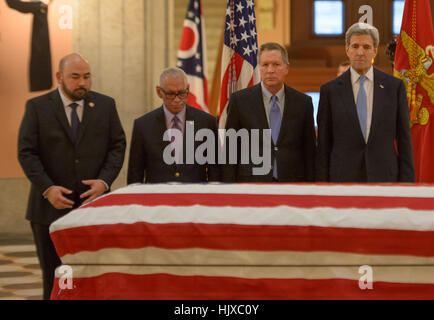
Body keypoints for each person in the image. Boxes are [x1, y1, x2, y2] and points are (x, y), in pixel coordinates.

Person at [17, 53, 126, 299]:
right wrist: (48, 189)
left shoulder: (105, 105)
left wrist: (104, 182)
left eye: (87, 77)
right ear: (59, 77)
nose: (82, 83)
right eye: (75, 77)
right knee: (55, 279)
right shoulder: (37, 107)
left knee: (92, 278)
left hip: (93, 209)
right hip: (48, 211)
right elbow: (27, 153)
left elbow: (117, 146)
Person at [316, 23, 415, 183]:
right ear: (347, 49)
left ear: (375, 51)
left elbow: (404, 139)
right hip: (342, 180)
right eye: (355, 46)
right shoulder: (330, 91)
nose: (360, 52)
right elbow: (324, 144)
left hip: (385, 178)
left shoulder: (394, 87)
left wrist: (407, 184)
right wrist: (321, 185)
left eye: (366, 47)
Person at [221, 42, 316, 182]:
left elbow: (309, 151)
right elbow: (230, 150)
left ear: (286, 68)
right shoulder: (240, 101)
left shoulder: (303, 103)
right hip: (251, 183)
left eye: (276, 65)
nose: (270, 70)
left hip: (292, 183)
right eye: (265, 65)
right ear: (259, 68)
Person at [127, 67, 220, 184]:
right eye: (170, 94)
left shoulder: (206, 122)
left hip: (195, 197)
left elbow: (215, 170)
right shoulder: (143, 125)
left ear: (188, 89)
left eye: (181, 93)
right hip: (157, 197)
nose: (177, 100)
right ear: (159, 92)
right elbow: (135, 174)